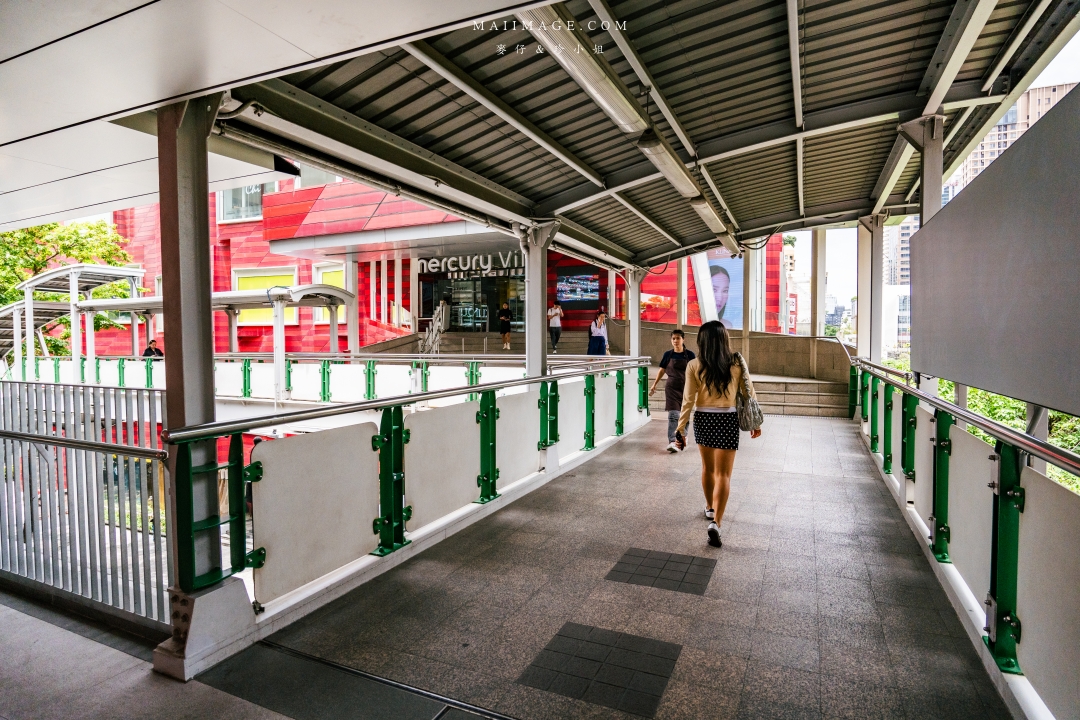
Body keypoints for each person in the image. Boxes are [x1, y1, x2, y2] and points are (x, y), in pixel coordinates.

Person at [675, 320, 761, 548]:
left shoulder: (694, 365)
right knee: (724, 475)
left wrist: (681, 428)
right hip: (727, 419)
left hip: (704, 418)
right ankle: (716, 523)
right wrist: (755, 422)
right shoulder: (736, 362)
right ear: (724, 339)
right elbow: (749, 392)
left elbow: (688, 400)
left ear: (701, 341)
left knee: (707, 468)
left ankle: (709, 507)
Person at [649, 329, 695, 453]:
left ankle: (683, 436)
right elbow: (662, 370)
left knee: (685, 414)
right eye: (673, 338)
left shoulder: (690, 355)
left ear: (683, 339)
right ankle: (673, 441)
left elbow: (695, 371)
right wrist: (654, 384)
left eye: (678, 338)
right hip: (672, 388)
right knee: (673, 415)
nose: (675, 341)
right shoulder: (668, 355)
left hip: (687, 388)